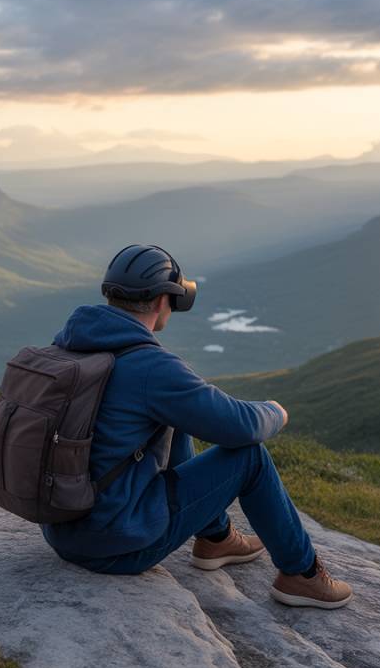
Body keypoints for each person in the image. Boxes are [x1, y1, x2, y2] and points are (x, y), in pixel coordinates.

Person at [40, 244, 352, 609]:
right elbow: (239, 427)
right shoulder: (150, 367)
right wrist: (275, 411)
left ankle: (216, 537)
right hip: (114, 546)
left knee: (174, 422)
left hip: (64, 529)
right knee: (250, 457)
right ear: (162, 301)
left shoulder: (73, 343)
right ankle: (302, 575)